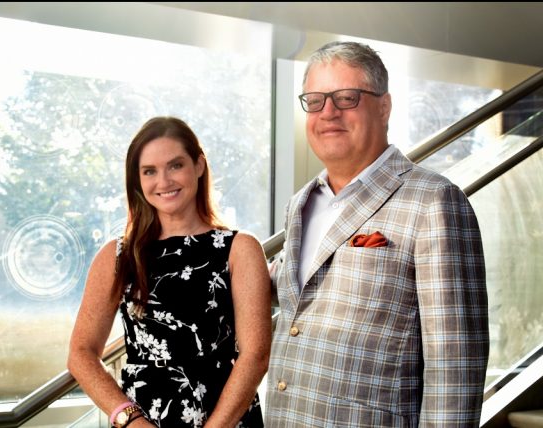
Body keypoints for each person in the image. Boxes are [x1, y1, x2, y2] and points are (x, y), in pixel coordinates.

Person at [267, 41, 489, 426]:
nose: (328, 113)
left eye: (347, 98)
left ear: (384, 107)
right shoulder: (300, 204)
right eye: (315, 100)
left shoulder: (434, 201)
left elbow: (455, 366)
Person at [68, 116, 271, 428]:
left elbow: (255, 355)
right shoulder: (117, 256)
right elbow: (81, 353)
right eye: (149, 171)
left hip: (225, 418)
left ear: (198, 166)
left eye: (175, 165)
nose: (163, 181)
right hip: (143, 419)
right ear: (137, 180)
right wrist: (129, 420)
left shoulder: (240, 249)